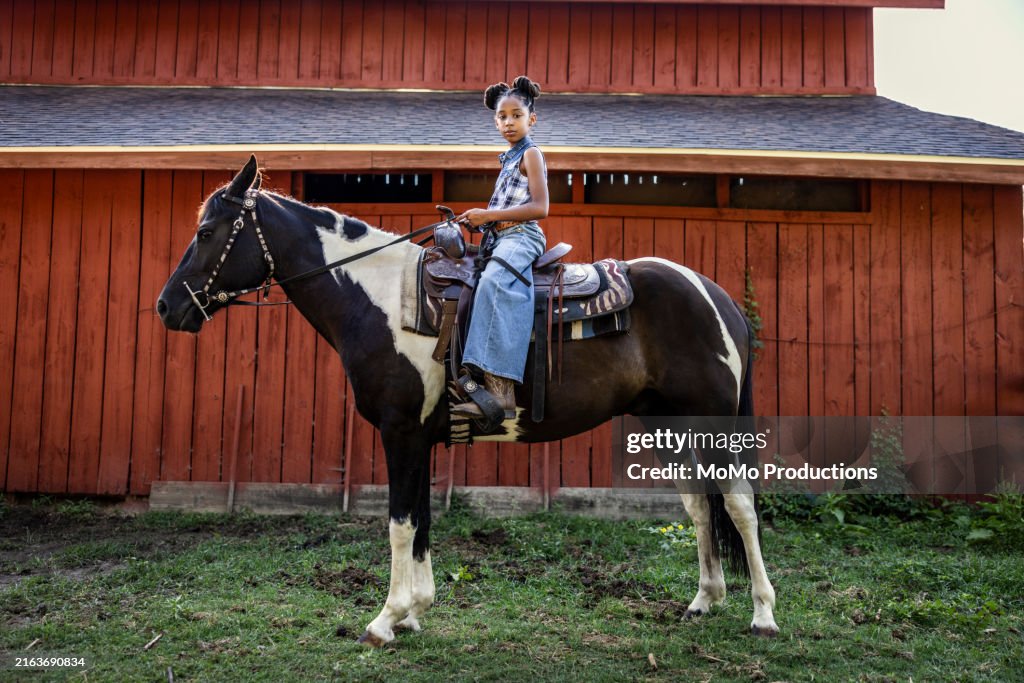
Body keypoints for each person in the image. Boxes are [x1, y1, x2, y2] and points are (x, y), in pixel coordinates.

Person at [451, 76, 549, 421]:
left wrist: (488, 214)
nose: (509, 122)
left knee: (495, 284)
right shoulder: (507, 159)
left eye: (516, 115)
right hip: (500, 237)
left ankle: (501, 391)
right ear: (495, 121)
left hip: (523, 236)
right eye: (502, 116)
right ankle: (467, 375)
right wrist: (480, 220)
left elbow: (540, 207)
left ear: (531, 119)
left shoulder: (532, 155)